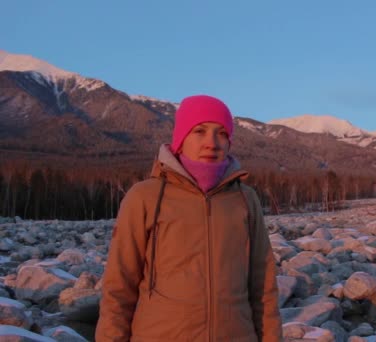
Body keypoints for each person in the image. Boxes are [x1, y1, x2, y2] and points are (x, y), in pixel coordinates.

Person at [96, 95, 283, 341]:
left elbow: (263, 286)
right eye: (199, 131)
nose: (212, 143)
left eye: (222, 133)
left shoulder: (245, 199)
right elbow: (119, 287)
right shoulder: (145, 197)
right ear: (181, 139)